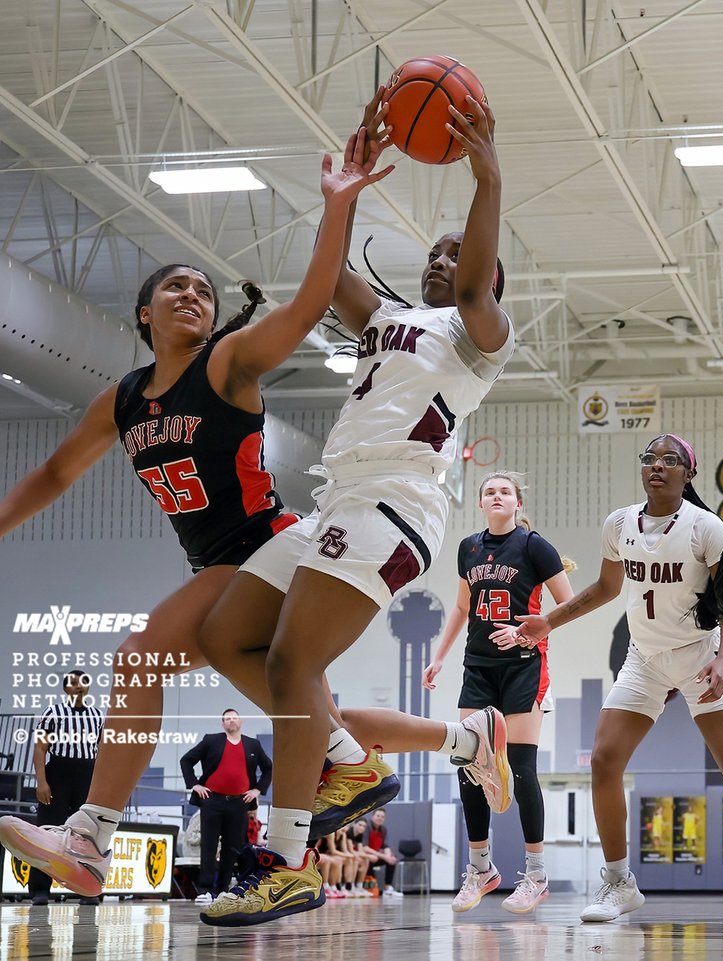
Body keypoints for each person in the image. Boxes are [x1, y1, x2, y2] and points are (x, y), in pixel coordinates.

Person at [0, 130, 394, 900]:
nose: (193, 296)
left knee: (138, 657)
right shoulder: (127, 397)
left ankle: (90, 834)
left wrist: (337, 206)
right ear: (144, 313)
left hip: (270, 542)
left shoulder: (228, 361)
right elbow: (57, 469)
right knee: (266, 683)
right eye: (175, 287)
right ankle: (368, 748)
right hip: (221, 566)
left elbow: (310, 303)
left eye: (203, 290)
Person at [198, 88, 515, 927]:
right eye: (437, 253)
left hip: (393, 503)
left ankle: (289, 860)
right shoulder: (386, 319)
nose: (445, 260)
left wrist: (486, 182)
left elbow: (479, 279)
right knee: (225, 634)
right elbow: (327, 275)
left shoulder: (475, 337)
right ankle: (345, 757)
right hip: (338, 496)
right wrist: (339, 200)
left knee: (291, 666)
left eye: (459, 254)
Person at [497, 434, 723, 923]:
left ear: (688, 474)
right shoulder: (619, 523)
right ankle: (619, 883)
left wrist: (722, 663)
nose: (657, 466)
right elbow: (605, 588)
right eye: (649, 459)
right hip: (643, 659)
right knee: (603, 761)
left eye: (670, 460)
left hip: (699, 655)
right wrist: (547, 622)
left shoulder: (707, 528)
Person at [423, 471, 573, 914]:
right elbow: (462, 606)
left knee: (522, 768)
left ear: (516, 502)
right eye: (489, 491)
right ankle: (481, 868)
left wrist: (528, 634)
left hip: (525, 666)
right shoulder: (469, 547)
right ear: (481, 502)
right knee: (468, 765)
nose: (496, 496)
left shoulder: (533, 546)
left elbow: (567, 604)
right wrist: (439, 656)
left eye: (505, 491)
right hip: (479, 667)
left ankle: (536, 874)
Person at [179, 709, 272, 905]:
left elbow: (268, 768)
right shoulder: (211, 740)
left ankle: (223, 890)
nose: (231, 720)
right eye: (227, 718)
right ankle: (204, 890)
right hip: (212, 800)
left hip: (239, 803)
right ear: (223, 724)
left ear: (241, 721)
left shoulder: (252, 744)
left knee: (232, 848)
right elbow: (186, 760)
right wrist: (195, 784)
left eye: (234, 717)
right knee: (209, 846)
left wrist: (257, 790)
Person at [27, 672, 103, 905]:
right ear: (65, 689)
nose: (80, 687)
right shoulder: (53, 713)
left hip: (87, 774)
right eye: (74, 683)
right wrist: (42, 782)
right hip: (59, 772)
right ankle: (40, 889)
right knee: (48, 831)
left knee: (87, 835)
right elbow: (40, 749)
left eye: (83, 683)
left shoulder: (97, 715)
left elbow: (103, 753)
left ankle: (88, 889)